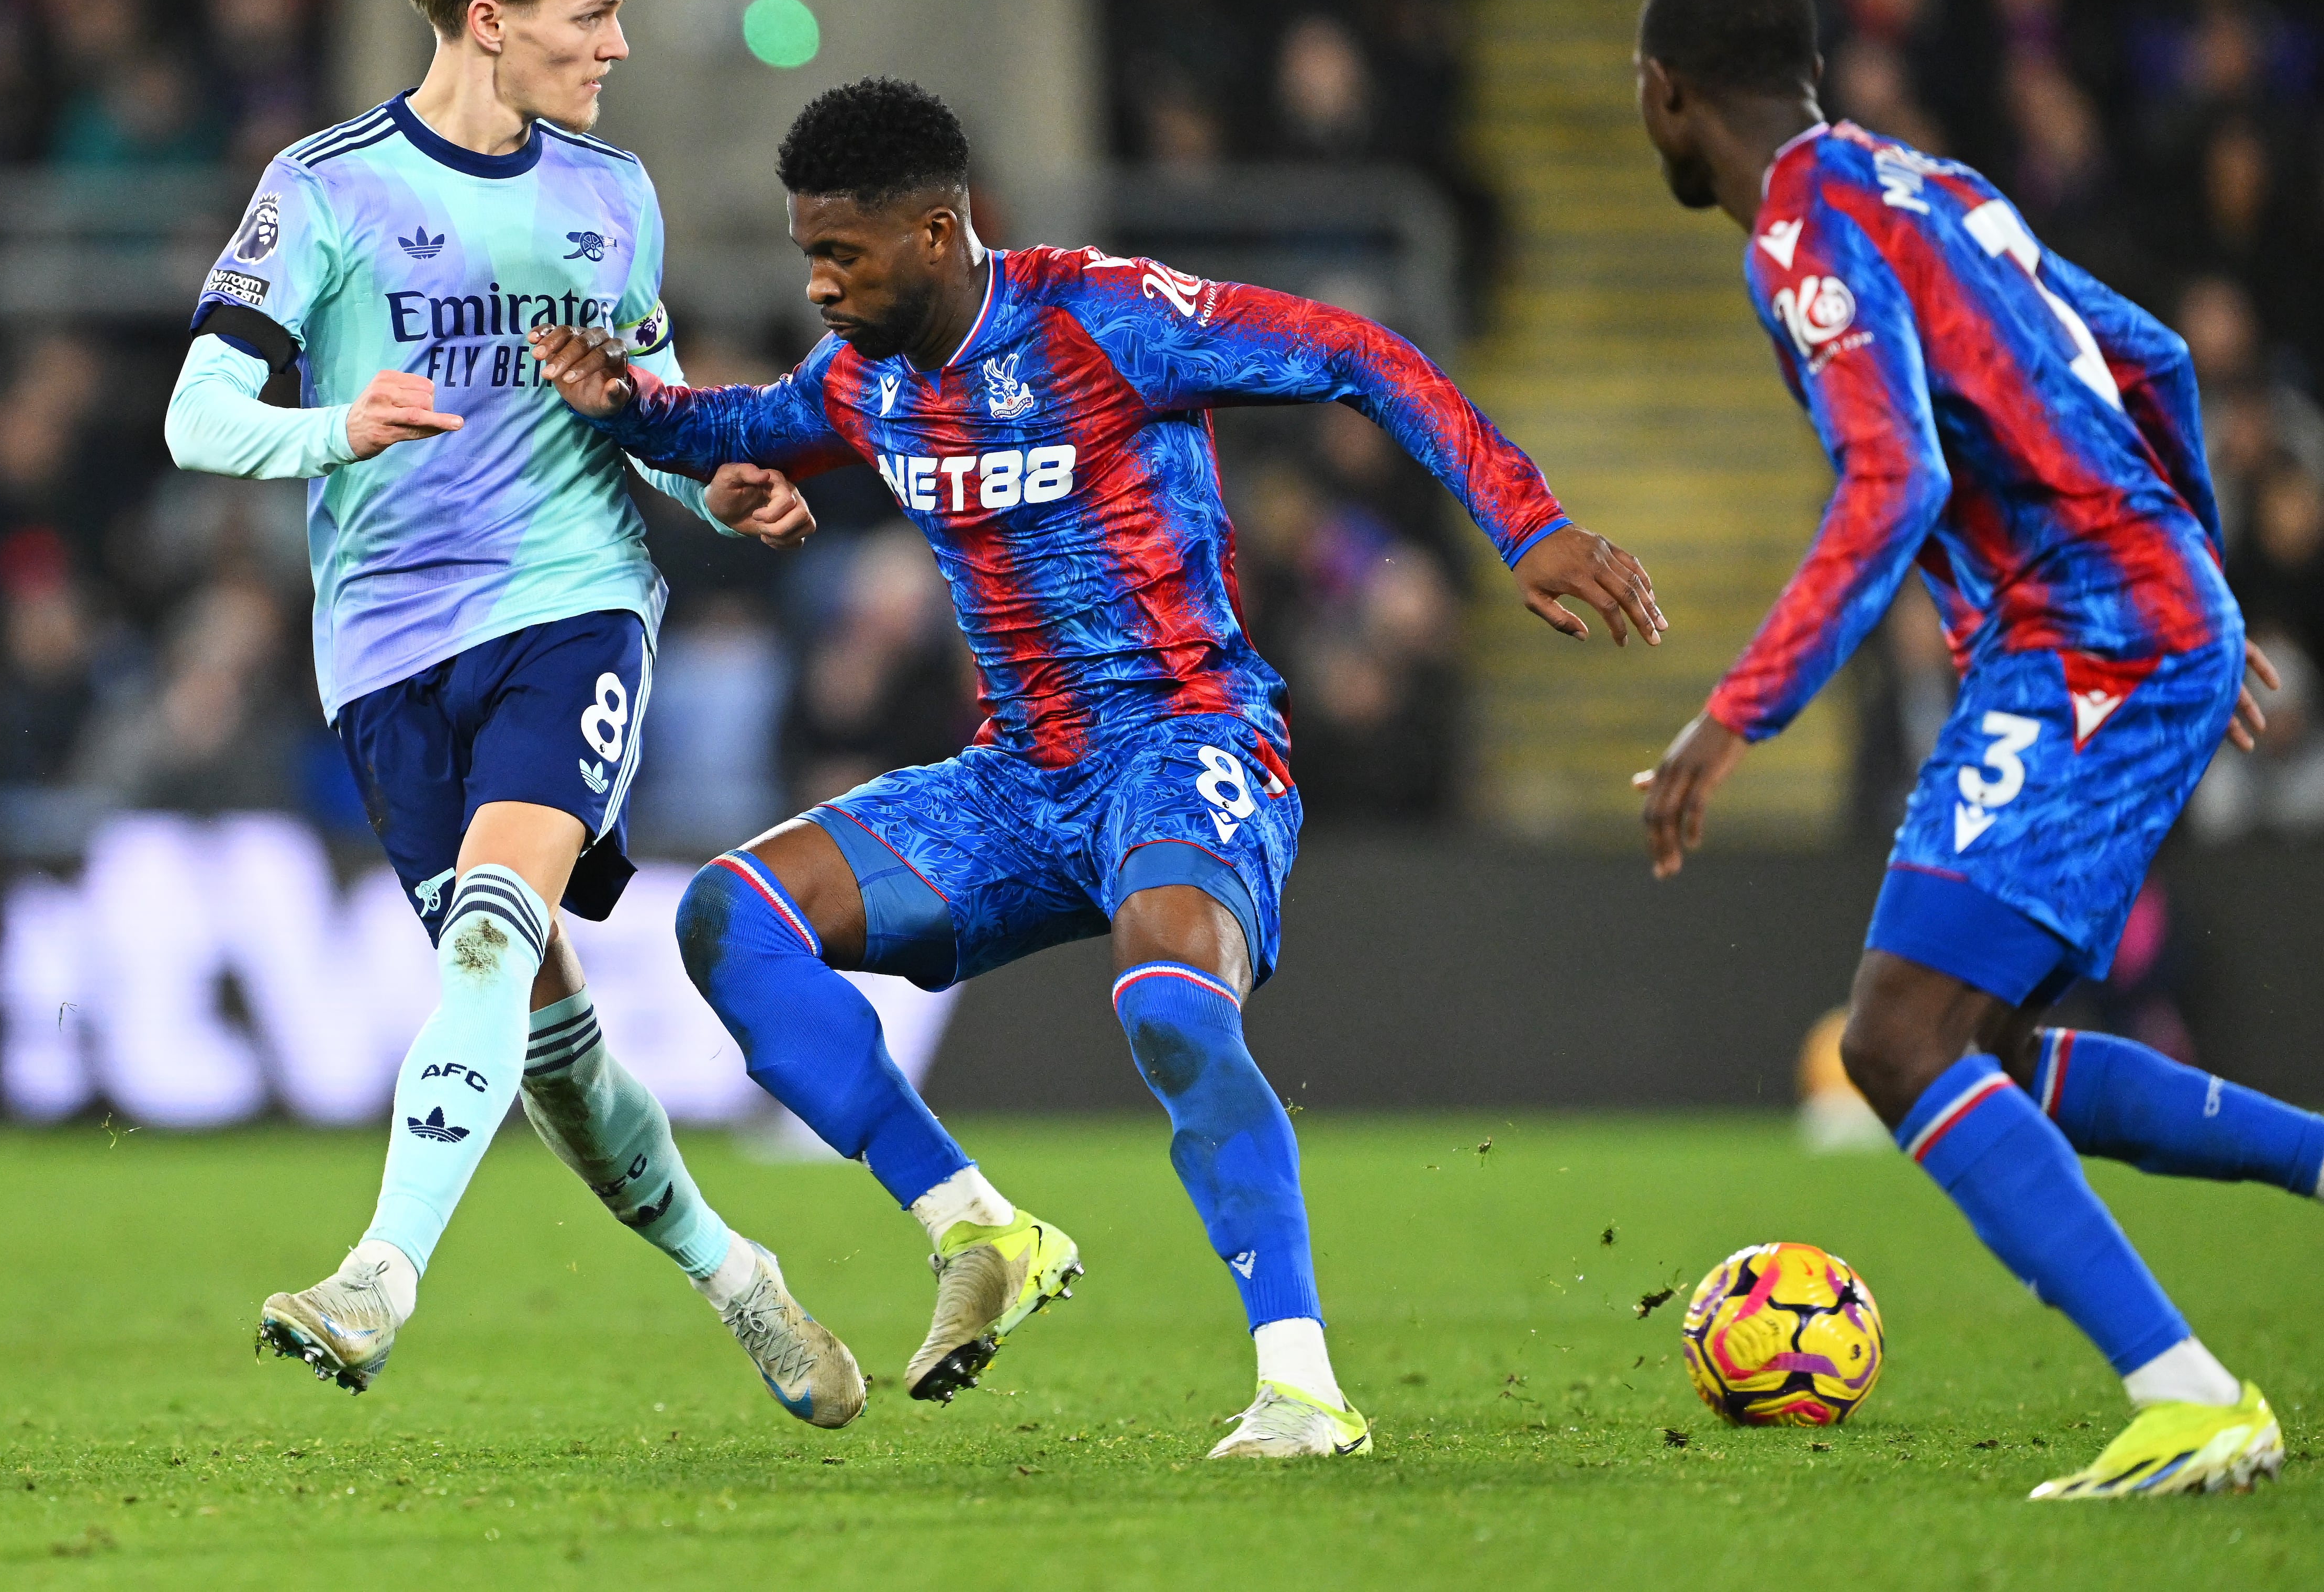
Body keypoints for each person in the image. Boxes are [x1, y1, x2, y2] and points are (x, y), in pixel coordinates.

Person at [536, 76, 1665, 1459]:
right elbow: (736, 429)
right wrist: (628, 403)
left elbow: (1356, 352)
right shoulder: (866, 378)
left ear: (940, 233)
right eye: (806, 254)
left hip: (1187, 740)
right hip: (1015, 785)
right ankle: (977, 1229)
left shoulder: (1101, 318)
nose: (818, 283)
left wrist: (1527, 524)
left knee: (1171, 1006)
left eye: (844, 253)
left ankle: (1303, 1388)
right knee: (727, 919)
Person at [163, 0, 862, 1427]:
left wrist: (717, 479)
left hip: (571, 596)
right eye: (589, 13)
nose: (616, 43)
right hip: (388, 647)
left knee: (488, 928)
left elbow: (648, 400)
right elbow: (194, 414)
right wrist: (336, 425)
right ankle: (733, 1272)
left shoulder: (610, 195)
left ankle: (377, 1278)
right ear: (490, 23)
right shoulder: (329, 188)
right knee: (547, 1039)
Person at [1630, 0, 2318, 1500]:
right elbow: (2147, 349)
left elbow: (1897, 483)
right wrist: (2193, 579)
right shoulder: (1930, 185)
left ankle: (2191, 1393)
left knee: (1896, 1038)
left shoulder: (1805, 234)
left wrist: (1734, 719)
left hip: (2078, 636)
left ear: (1666, 96)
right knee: (1986, 1042)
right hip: (2124, 620)